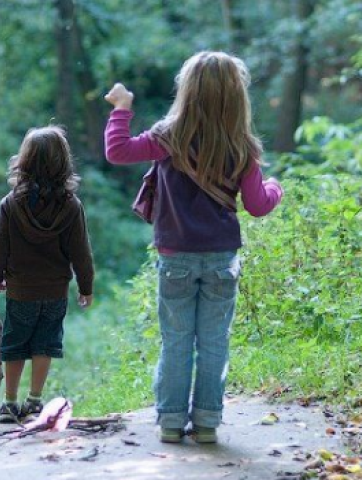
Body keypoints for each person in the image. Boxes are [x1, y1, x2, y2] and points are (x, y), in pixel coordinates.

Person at [104, 51, 284, 444]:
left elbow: (118, 151)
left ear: (187, 90)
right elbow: (257, 205)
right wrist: (275, 188)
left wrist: (122, 107)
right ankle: (206, 424)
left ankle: (170, 422)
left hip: (175, 257)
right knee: (214, 341)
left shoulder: (169, 137)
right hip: (221, 258)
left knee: (177, 339)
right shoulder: (242, 147)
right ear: (237, 97)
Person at [0, 126, 94, 424]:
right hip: (55, 291)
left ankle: (9, 403)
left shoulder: (10, 204)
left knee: (14, 344)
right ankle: (34, 401)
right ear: (63, 162)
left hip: (21, 289)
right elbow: (81, 253)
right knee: (44, 345)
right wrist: (86, 287)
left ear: (23, 161)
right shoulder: (72, 207)